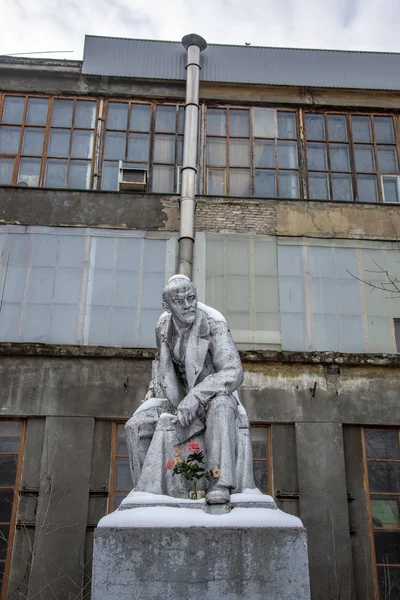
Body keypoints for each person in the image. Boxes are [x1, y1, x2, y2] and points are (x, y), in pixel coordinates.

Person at [125, 275, 256, 505]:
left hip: (213, 394)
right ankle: (146, 494)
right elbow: (163, 363)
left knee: (222, 406)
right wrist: (153, 390)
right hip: (178, 399)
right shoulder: (163, 327)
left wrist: (196, 396)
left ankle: (220, 483)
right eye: (179, 301)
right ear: (167, 306)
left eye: (191, 298)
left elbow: (234, 371)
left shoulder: (213, 325)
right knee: (136, 424)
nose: (188, 305)